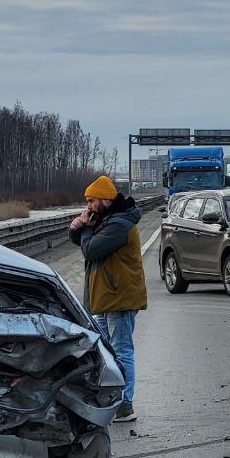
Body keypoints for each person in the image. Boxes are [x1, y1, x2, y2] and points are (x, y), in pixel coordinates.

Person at [69, 176, 147, 422]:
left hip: (119, 297)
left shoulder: (119, 224)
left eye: (92, 201)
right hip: (104, 296)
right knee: (105, 352)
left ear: (106, 199)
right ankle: (110, 400)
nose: (89, 206)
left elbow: (91, 249)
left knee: (122, 351)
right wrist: (77, 227)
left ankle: (125, 405)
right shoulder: (108, 219)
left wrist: (86, 227)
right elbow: (83, 242)